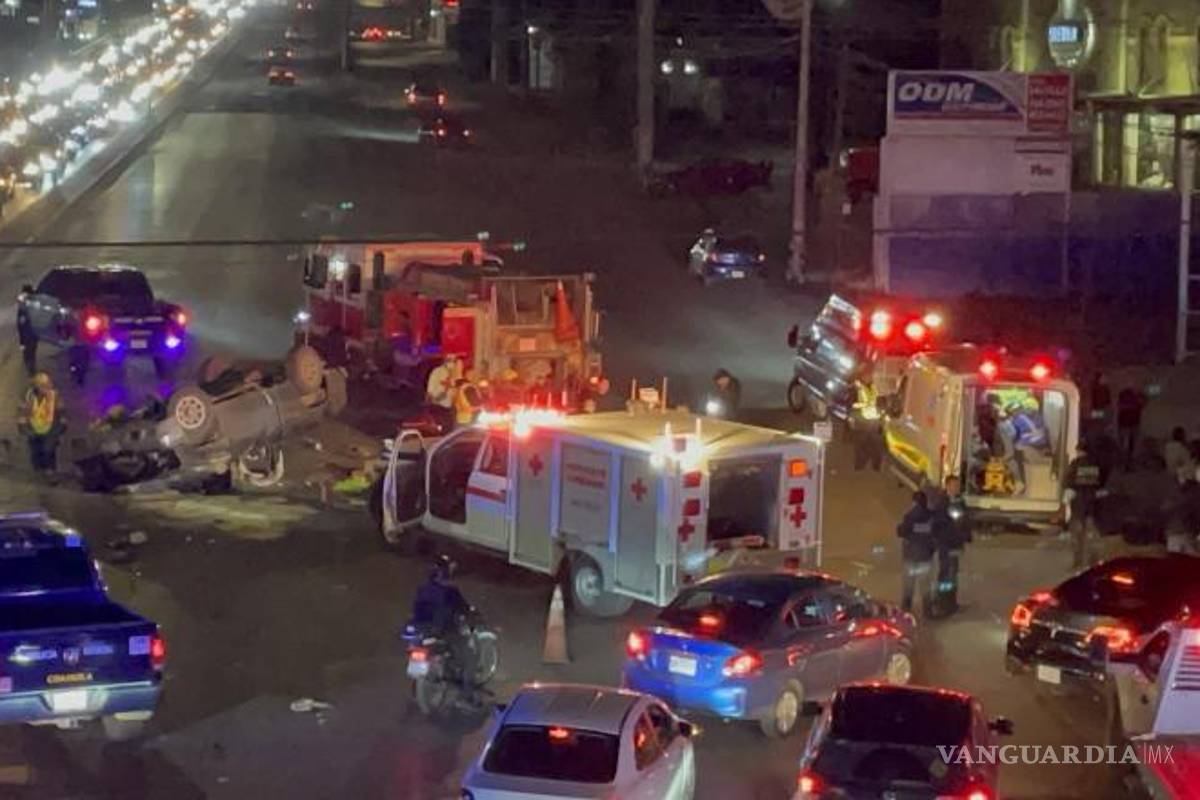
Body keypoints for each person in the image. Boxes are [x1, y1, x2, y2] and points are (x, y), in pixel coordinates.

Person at [410, 555, 477, 697]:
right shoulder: (450, 591)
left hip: (422, 631)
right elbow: (464, 608)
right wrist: (471, 613)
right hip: (442, 632)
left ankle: (416, 689)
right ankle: (467, 694)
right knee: (469, 655)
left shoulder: (422, 589)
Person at [932, 476, 971, 615]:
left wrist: (966, 536)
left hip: (956, 544)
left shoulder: (960, 501)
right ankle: (941, 602)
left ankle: (952, 603)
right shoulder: (942, 502)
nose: (956, 488)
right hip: (946, 545)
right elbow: (937, 524)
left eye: (957, 485)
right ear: (947, 486)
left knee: (953, 574)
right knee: (945, 574)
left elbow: (966, 519)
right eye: (953, 485)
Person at [1064, 442, 1104, 568]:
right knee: (1091, 535)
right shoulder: (1096, 462)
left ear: (1080, 451)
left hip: (1079, 503)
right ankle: (1091, 562)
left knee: (1077, 535)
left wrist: (1069, 489)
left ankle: (1078, 562)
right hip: (1092, 503)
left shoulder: (1079, 462)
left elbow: (1071, 480)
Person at [17, 373, 66, 478]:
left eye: (49, 384)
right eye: (44, 385)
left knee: (49, 450)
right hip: (33, 429)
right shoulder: (28, 396)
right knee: (36, 450)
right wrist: (23, 426)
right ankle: (39, 468)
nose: (48, 387)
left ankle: (51, 471)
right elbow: (22, 411)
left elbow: (61, 410)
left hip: (50, 429)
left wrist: (62, 424)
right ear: (36, 387)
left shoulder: (54, 395)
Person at [897, 491, 937, 617]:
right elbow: (935, 534)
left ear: (914, 502)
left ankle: (906, 611)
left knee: (909, 586)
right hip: (925, 557)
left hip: (911, 557)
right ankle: (928, 611)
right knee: (925, 586)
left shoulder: (909, 516)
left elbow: (901, 532)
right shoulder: (931, 516)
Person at [850, 372, 883, 471]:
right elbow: (852, 404)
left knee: (876, 445)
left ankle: (876, 465)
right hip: (862, 421)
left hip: (874, 421)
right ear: (862, 377)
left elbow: (879, 400)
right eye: (867, 376)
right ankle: (860, 465)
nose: (869, 377)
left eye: (870, 375)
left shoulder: (874, 387)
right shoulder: (857, 388)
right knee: (860, 445)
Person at [1116, 386, 1146, 468]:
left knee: (1126, 445)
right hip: (1129, 425)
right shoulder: (1135, 401)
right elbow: (1142, 405)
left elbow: (1119, 407)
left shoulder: (1130, 400)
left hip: (1127, 425)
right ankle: (1126, 463)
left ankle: (1125, 463)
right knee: (1128, 445)